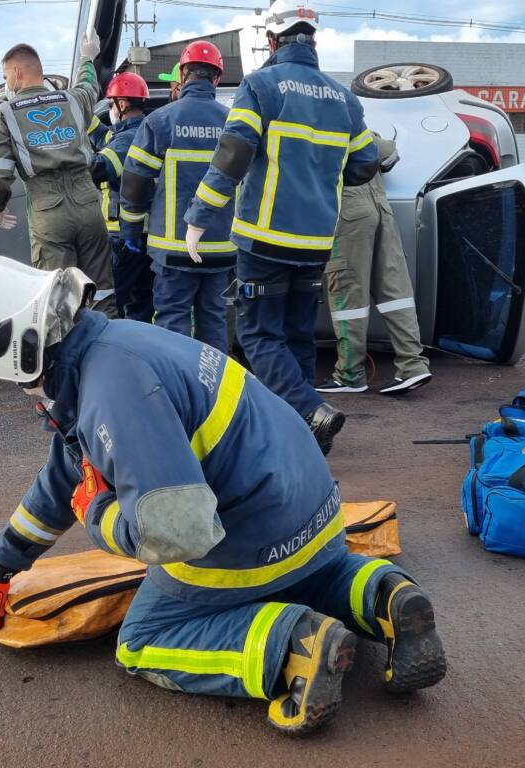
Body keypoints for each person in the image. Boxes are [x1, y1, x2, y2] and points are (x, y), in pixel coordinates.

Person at [0, 254, 447, 736]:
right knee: (312, 571)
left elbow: (176, 533)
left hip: (255, 533)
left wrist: (96, 511)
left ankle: (293, 646)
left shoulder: (111, 393)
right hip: (316, 516)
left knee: (144, 640)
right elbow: (63, 475)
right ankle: (384, 595)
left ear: (17, 350)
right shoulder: (112, 348)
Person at [184, 0, 380, 455]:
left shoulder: (260, 86)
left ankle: (311, 411)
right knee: (296, 336)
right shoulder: (344, 99)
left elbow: (232, 157)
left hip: (264, 238)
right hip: (315, 242)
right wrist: (320, 176)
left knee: (258, 335)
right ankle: (304, 437)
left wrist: (198, 217)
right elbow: (367, 163)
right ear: (313, 38)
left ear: (272, 40)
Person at [0, 32, 117, 316]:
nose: (6, 82)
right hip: (88, 204)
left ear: (17, 72)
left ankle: (64, 358)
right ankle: (107, 349)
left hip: (48, 211)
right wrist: (87, 57)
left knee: (56, 297)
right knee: (101, 289)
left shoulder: (4, 114)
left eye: (6, 75)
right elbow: (89, 85)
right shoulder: (72, 100)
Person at [120, 41, 235, 351]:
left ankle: (179, 393)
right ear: (216, 79)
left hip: (172, 251)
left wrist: (131, 230)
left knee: (173, 322)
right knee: (214, 321)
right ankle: (215, 394)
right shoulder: (233, 124)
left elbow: (135, 183)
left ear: (183, 75)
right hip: (221, 248)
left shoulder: (160, 121)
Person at [317, 135, 431, 397]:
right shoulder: (354, 122)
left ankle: (350, 374)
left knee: (348, 294)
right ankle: (412, 364)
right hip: (380, 205)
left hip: (347, 210)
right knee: (395, 290)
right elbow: (388, 152)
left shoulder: (315, 122)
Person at [90, 71, 152, 322]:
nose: (111, 110)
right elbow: (103, 135)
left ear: (122, 104)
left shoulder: (126, 139)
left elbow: (100, 167)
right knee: (142, 304)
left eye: (111, 104)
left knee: (112, 301)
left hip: (122, 233)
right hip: (148, 233)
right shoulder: (146, 131)